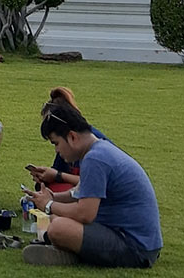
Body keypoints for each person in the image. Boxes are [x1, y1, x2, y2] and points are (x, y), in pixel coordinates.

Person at [23, 102, 162, 268]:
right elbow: (80, 192)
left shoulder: (95, 159)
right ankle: (72, 249)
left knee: (58, 227)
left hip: (135, 248)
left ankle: (73, 254)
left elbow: (85, 214)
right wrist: (52, 198)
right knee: (56, 219)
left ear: (72, 137)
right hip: (140, 242)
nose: (57, 151)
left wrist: (49, 205)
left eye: (56, 143)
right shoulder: (99, 150)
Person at [26, 87, 110, 194]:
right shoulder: (74, 143)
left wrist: (57, 176)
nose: (56, 150)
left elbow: (91, 185)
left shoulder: (94, 153)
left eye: (56, 143)